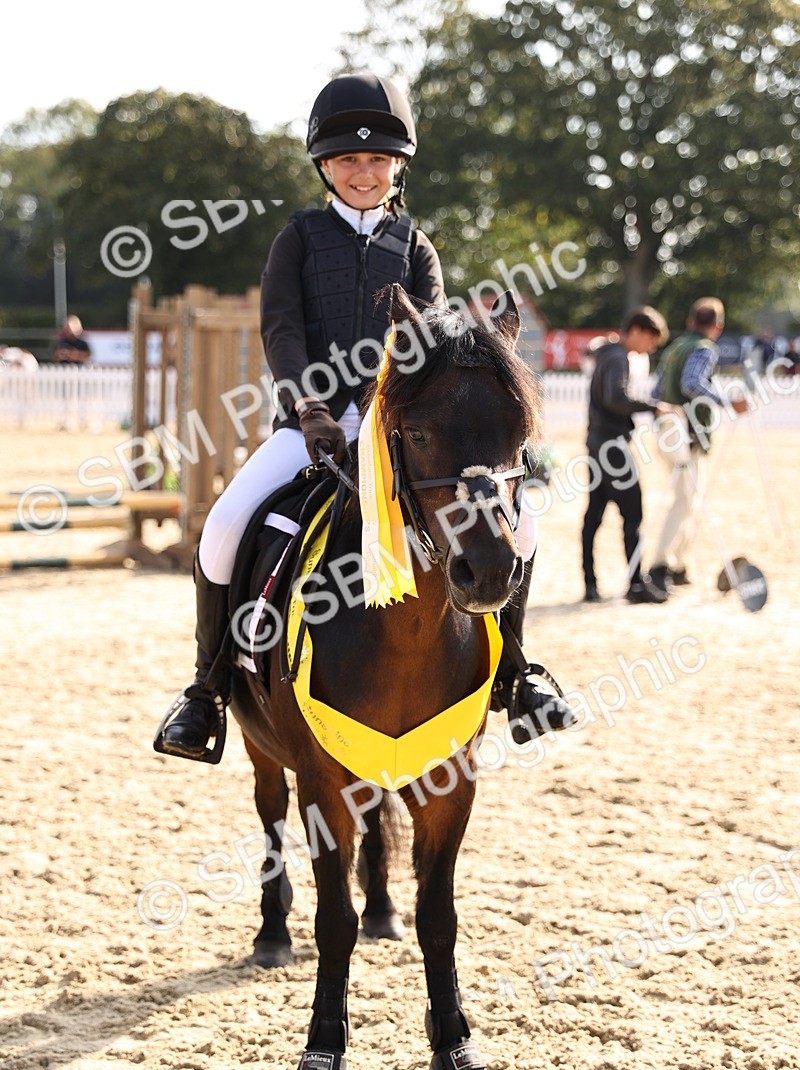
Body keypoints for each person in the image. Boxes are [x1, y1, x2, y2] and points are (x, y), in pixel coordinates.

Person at [158, 72, 575, 762]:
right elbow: (282, 331)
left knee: (520, 521)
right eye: (350, 160)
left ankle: (517, 673)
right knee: (224, 526)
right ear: (325, 165)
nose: (363, 172)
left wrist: (398, 418)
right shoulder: (297, 238)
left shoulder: (416, 247)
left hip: (396, 432)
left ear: (398, 168)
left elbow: (432, 341)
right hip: (310, 426)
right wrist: (309, 406)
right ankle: (206, 691)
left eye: (377, 160)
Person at [647, 297, 748, 592]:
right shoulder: (704, 348)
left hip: (668, 434)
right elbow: (693, 383)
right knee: (683, 502)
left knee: (687, 499)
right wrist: (726, 402)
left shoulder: (674, 348)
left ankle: (679, 565)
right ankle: (660, 566)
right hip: (688, 436)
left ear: (691, 321)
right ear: (717, 326)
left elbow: (657, 391)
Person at [580, 307, 679, 604]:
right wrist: (654, 406)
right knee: (633, 513)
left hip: (597, 442)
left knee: (594, 514)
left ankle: (590, 583)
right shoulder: (618, 356)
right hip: (613, 447)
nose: (649, 348)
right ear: (636, 330)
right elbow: (616, 398)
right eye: (650, 341)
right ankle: (636, 584)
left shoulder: (606, 354)